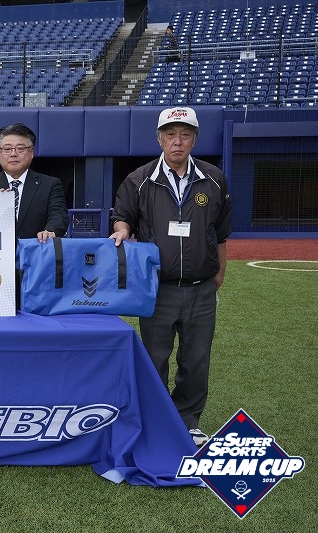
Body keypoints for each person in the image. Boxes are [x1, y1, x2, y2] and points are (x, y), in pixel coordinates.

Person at [110, 107, 232, 447]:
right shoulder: (139, 179)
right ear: (159, 138)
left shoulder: (214, 178)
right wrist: (122, 229)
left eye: (185, 135)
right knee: (154, 358)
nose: (177, 141)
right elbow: (122, 217)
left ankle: (188, 421)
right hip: (156, 288)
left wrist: (219, 273)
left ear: (194, 139)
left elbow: (221, 232)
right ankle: (155, 420)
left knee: (196, 360)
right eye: (170, 135)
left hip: (200, 288)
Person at [0, 123, 68, 242]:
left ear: (31, 152)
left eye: (20, 149)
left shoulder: (50, 185)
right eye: (7, 149)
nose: (13, 154)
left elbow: (58, 216)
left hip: (35, 250)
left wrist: (50, 231)